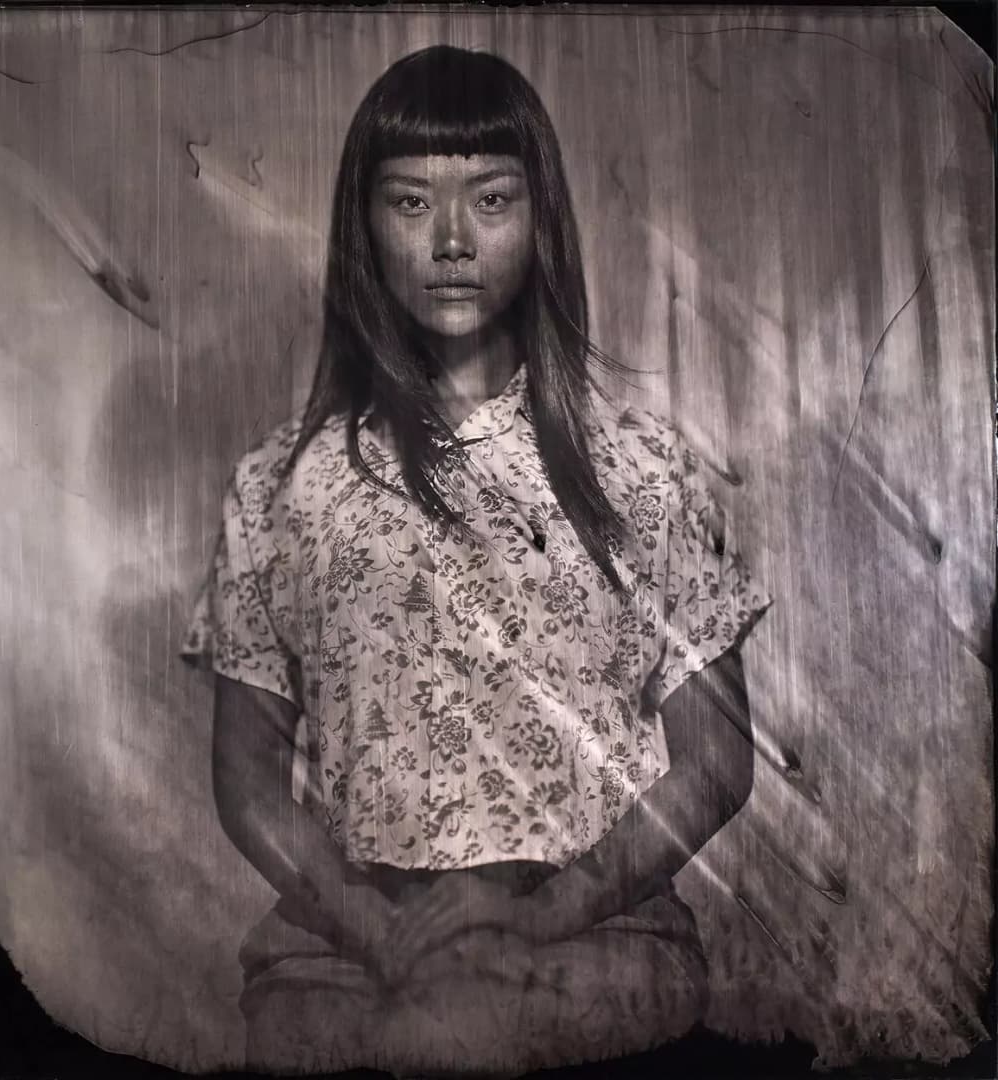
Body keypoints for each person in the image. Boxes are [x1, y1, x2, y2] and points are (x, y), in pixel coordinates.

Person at [181, 44, 773, 1076]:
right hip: (346, 941)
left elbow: (718, 762)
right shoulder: (286, 485)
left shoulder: (635, 469)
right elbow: (245, 781)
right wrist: (372, 926)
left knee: (449, 1039)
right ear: (362, 228)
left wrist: (549, 910)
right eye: (410, 203)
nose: (451, 240)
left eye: (489, 200)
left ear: (540, 217)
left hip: (595, 929)